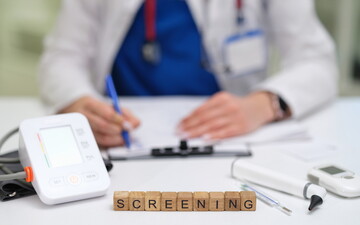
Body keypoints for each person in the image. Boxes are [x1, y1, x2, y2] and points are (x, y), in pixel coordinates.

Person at [39, 0, 338, 147]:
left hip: (227, 141)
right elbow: (62, 58)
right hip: (121, 141)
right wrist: (79, 103)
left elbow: (317, 61)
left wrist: (265, 103)